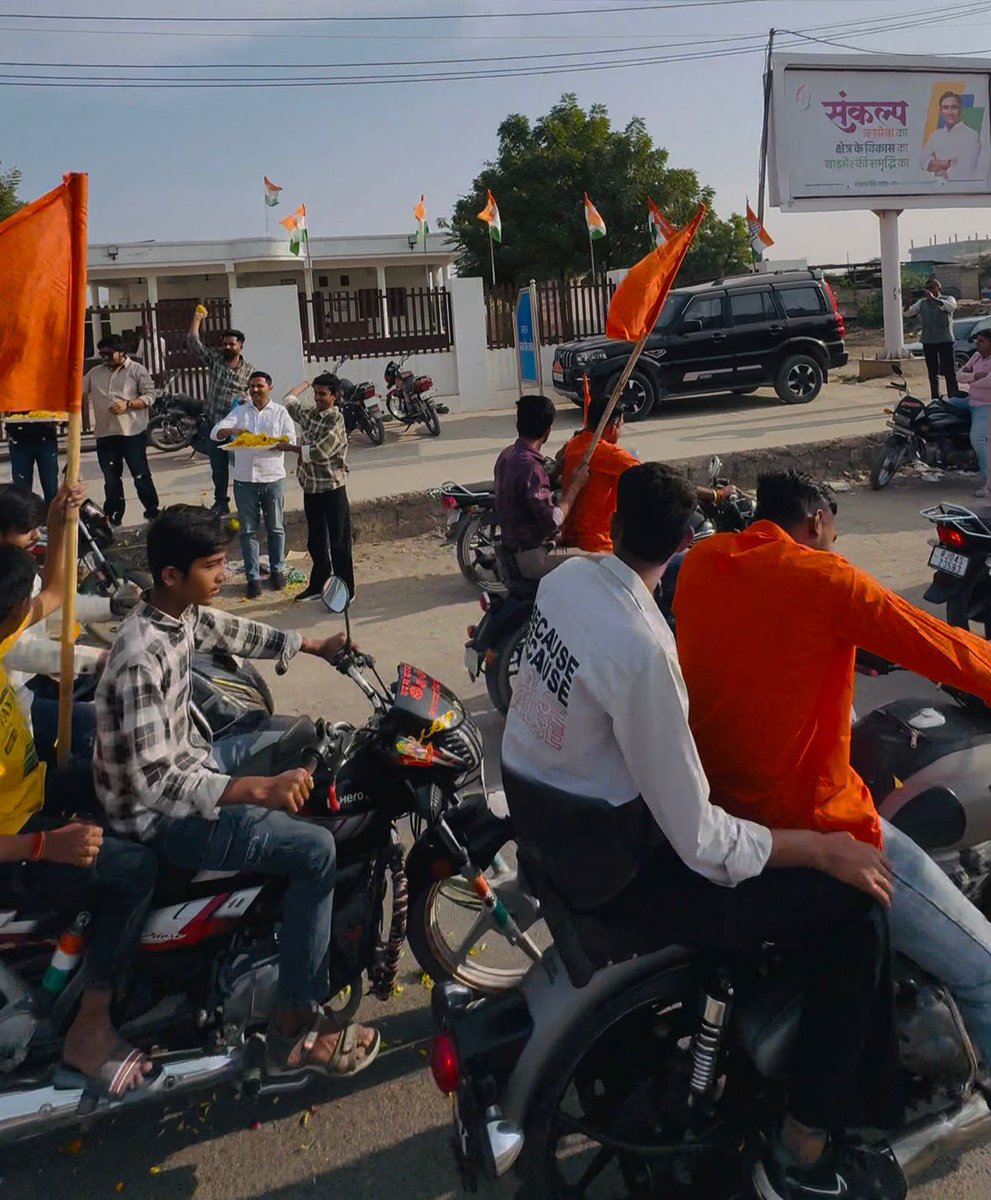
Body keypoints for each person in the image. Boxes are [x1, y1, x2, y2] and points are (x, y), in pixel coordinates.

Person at [502, 462, 903, 1200]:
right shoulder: (645, 648)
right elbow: (705, 844)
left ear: (612, 522)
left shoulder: (564, 583)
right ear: (686, 540)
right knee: (857, 911)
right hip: (622, 868)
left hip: (549, 823)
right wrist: (822, 848)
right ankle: (807, 1137)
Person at [674, 469, 991, 1080]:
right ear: (817, 522)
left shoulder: (705, 561)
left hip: (717, 801)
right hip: (811, 824)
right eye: (834, 534)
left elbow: (763, 639)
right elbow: (945, 647)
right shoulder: (827, 579)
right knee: (981, 968)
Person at [94, 505, 380, 1079]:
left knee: (298, 745)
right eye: (212, 565)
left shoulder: (179, 616)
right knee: (313, 851)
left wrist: (309, 646)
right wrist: (257, 790)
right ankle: (294, 1026)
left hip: (188, 763)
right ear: (171, 574)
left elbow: (232, 629)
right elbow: (160, 784)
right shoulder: (139, 658)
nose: (222, 575)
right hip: (159, 819)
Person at [0, 510, 159, 1101]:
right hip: (13, 844)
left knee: (124, 786)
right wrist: (49, 844)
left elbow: (63, 595)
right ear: (16, 614)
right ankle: (90, 1030)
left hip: (28, 793)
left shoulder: (2, 630)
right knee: (133, 870)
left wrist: (59, 524)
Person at [0, 486, 137, 763]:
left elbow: (53, 601)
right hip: (18, 705)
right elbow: (21, 648)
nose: (36, 536)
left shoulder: (18, 570)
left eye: (37, 527)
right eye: (27, 529)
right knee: (107, 728)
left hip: (42, 678)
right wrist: (95, 658)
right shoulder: (6, 588)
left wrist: (109, 608)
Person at [559, 393, 737, 553]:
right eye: (621, 425)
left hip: (572, 536)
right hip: (598, 544)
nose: (620, 431)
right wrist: (717, 494)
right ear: (613, 426)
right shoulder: (609, 454)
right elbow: (663, 480)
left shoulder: (574, 444)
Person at [211, 372, 296, 598]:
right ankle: (252, 577)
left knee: (275, 527)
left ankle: (278, 571)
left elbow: (290, 441)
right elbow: (215, 433)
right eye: (252, 387)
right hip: (244, 481)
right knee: (248, 531)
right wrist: (233, 431)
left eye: (259, 386)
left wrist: (273, 443)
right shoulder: (240, 412)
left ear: (270, 387)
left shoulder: (280, 413)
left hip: (272, 478)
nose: (255, 390)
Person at [493, 394, 589, 579]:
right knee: (596, 562)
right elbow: (552, 520)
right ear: (548, 430)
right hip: (530, 557)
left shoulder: (507, 455)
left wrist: (555, 471)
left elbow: (526, 490)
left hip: (511, 548)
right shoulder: (531, 468)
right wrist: (575, 486)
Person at [282, 375, 355, 602]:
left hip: (332, 488)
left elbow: (320, 452)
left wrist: (291, 448)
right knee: (315, 541)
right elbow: (289, 401)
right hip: (311, 488)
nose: (318, 398)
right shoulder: (311, 414)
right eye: (316, 394)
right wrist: (304, 383)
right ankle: (318, 585)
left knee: (339, 542)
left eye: (323, 394)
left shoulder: (336, 420)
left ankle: (345, 591)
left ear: (334, 396)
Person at [82, 335, 160, 527]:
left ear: (121, 352)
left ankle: (152, 512)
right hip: (105, 434)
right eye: (102, 353)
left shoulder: (136, 370)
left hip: (132, 433)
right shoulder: (94, 373)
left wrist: (128, 404)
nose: (104, 357)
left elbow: (150, 396)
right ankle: (114, 515)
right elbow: (79, 391)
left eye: (109, 353)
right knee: (111, 479)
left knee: (140, 475)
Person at [186, 313, 254, 515]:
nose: (227, 347)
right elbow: (193, 342)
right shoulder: (215, 361)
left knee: (242, 466)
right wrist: (197, 318)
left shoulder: (249, 371)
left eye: (231, 344)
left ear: (240, 347)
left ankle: (246, 502)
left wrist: (247, 400)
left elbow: (255, 394)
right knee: (218, 468)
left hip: (236, 429)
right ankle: (221, 502)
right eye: (225, 343)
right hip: (214, 425)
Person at [904, 277, 958, 400]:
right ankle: (935, 396)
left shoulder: (948, 299)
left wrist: (933, 299)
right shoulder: (922, 303)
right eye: (927, 288)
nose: (929, 290)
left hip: (945, 340)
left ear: (939, 288)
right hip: (929, 340)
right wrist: (908, 301)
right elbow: (908, 313)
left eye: (932, 288)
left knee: (949, 370)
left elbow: (950, 307)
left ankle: (953, 395)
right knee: (932, 372)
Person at [957, 328, 991, 497]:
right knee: (937, 406)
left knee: (978, 439)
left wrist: (971, 380)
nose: (977, 344)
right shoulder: (976, 356)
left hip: (986, 405)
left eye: (982, 341)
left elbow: (987, 383)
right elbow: (958, 376)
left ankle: (988, 482)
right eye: (977, 340)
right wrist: (975, 377)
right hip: (970, 400)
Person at [919, 91, 982, 181]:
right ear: (941, 111)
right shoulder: (936, 135)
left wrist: (941, 171)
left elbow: (966, 168)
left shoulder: (971, 135)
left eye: (954, 107)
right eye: (946, 108)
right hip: (937, 188)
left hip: (962, 190)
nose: (950, 112)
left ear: (960, 109)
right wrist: (948, 163)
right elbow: (923, 161)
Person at [5, 412, 61, 505]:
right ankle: (24, 517)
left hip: (46, 434)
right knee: (21, 491)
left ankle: (52, 517)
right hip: (18, 434)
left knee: (51, 486)